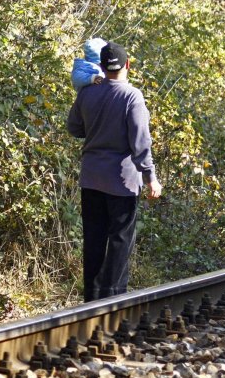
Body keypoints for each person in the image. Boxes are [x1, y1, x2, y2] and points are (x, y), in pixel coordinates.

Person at [67, 42, 162, 301]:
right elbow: (140, 142)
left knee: (93, 240)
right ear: (127, 64)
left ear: (101, 66)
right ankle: (114, 301)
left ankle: (92, 302)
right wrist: (150, 177)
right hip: (123, 182)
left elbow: (74, 128)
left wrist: (96, 129)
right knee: (120, 241)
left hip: (91, 178)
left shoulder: (87, 93)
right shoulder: (132, 97)